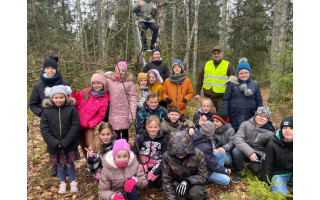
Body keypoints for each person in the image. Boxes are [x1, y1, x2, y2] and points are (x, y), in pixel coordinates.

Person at [29, 55, 71, 176]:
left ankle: (67, 164)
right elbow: (33, 104)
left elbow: (70, 100)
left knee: (65, 138)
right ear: (44, 70)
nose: (50, 70)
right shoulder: (38, 86)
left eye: (52, 68)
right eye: (47, 68)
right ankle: (55, 164)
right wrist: (43, 114)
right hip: (49, 119)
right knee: (52, 141)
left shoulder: (64, 83)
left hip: (64, 117)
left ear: (56, 69)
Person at [40, 85, 80, 194]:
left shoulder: (71, 109)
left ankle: (73, 182)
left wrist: (66, 141)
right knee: (59, 164)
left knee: (69, 163)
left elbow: (75, 126)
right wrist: (54, 142)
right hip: (54, 144)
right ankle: (62, 183)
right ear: (52, 98)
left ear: (66, 97)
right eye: (56, 97)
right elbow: (44, 129)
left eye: (61, 97)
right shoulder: (47, 112)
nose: (59, 100)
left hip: (69, 143)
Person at [71, 72, 110, 160]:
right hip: (77, 123)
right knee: (83, 144)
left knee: (90, 144)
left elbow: (100, 116)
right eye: (94, 83)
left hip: (88, 125)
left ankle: (95, 161)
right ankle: (89, 163)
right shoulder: (85, 92)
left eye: (98, 83)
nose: (96, 85)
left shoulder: (104, 99)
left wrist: (90, 124)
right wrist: (74, 99)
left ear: (103, 84)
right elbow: (76, 104)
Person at [232, 106, 275, 183]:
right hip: (244, 149)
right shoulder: (245, 124)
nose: (261, 118)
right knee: (236, 151)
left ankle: (249, 166)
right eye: (259, 115)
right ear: (255, 115)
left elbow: (269, 150)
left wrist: (261, 157)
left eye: (265, 116)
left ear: (268, 119)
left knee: (256, 169)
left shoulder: (270, 133)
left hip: (258, 152)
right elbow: (238, 139)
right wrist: (250, 153)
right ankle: (240, 171)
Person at [162, 130, 209, 200]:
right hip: (176, 186)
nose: (180, 155)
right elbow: (167, 180)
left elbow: (203, 176)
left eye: (183, 153)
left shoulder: (199, 154)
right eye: (177, 154)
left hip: (194, 185)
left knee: (196, 193)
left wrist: (188, 181)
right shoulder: (166, 157)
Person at [222, 58, 263, 131]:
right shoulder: (232, 84)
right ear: (237, 74)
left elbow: (259, 101)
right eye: (241, 73)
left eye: (246, 72)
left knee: (248, 132)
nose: (243, 75)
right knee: (235, 133)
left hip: (250, 115)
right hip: (234, 115)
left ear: (249, 73)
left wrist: (259, 114)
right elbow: (226, 99)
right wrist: (225, 113)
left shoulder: (254, 85)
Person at [190, 121, 231, 186]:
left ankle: (217, 173)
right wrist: (225, 171)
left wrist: (211, 150)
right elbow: (212, 164)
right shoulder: (204, 147)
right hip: (201, 170)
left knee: (221, 153)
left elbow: (209, 159)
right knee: (226, 180)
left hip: (202, 162)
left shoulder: (196, 135)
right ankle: (208, 178)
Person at [195, 46, 234, 111]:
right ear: (212, 55)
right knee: (208, 116)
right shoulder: (206, 64)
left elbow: (232, 81)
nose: (216, 55)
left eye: (218, 53)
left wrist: (231, 94)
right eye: (214, 53)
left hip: (222, 97)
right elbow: (200, 78)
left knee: (221, 117)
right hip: (208, 96)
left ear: (221, 54)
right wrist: (197, 93)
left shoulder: (228, 65)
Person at [105, 61, 137, 141]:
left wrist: (132, 115)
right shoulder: (109, 81)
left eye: (123, 70)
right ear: (116, 70)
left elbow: (133, 99)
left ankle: (125, 150)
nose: (121, 72)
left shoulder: (129, 83)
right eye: (119, 70)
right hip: (113, 114)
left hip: (125, 114)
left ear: (126, 72)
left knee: (125, 136)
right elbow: (104, 91)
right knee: (115, 136)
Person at [132, 115, 167, 188]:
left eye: (155, 127)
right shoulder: (141, 138)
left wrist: (154, 172)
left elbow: (164, 157)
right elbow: (135, 152)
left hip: (156, 165)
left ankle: (152, 180)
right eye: (150, 127)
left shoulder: (163, 140)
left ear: (159, 127)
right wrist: (140, 164)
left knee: (157, 184)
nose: (152, 129)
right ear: (146, 127)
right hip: (142, 164)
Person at [261, 116, 293, 194]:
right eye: (285, 128)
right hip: (279, 173)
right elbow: (266, 165)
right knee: (279, 194)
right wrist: (266, 185)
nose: (287, 131)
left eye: (291, 128)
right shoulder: (272, 143)